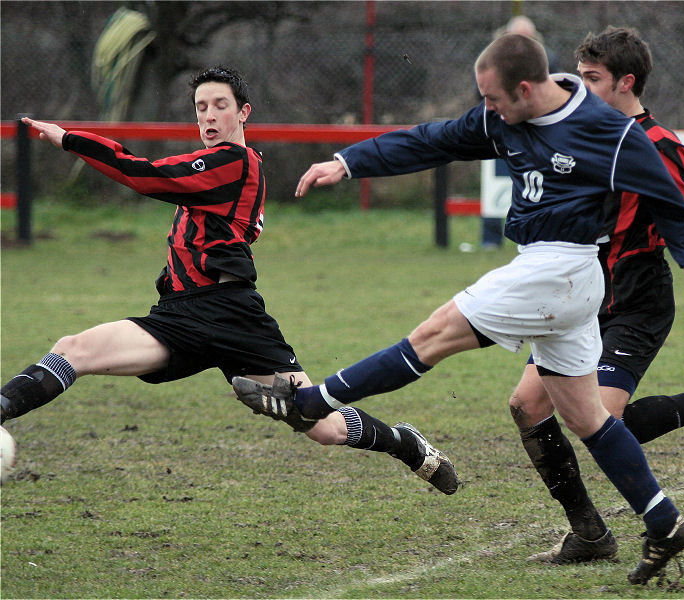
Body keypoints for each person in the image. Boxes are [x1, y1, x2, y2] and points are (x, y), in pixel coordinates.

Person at [232, 34, 684, 585]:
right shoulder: (502, 118)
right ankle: (664, 523)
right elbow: (433, 140)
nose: (487, 110)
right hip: (562, 281)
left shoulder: (607, 132)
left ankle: (308, 401)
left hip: (561, 269)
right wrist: (348, 162)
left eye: (493, 99)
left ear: (524, 88)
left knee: (433, 335)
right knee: (587, 417)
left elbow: (672, 197)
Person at [0, 66, 459, 496]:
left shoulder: (233, 163)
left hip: (232, 316)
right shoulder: (211, 169)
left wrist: (71, 140)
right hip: (178, 316)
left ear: (243, 113)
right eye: (200, 107)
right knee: (73, 349)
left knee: (321, 425)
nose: (208, 115)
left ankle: (403, 442)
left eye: (219, 105)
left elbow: (145, 176)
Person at [510, 26, 684, 568]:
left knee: (602, 422)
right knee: (526, 406)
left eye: (592, 79)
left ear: (625, 82)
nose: (579, 88)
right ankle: (587, 533)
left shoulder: (658, 144)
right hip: (578, 294)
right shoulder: (581, 134)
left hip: (637, 296)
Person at [481, 15, 562, 249]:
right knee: (493, 188)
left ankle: (539, 238)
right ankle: (490, 240)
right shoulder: (490, 61)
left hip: (538, 136)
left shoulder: (549, 60)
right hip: (503, 131)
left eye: (528, 38)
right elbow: (480, 94)